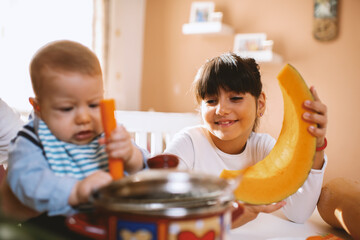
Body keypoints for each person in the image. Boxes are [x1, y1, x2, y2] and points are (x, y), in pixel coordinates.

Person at [165, 52, 328, 228]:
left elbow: (299, 213)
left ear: (260, 104)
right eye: (211, 101)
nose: (222, 110)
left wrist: (317, 145)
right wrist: (229, 219)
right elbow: (162, 203)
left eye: (235, 98)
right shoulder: (188, 144)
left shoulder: (263, 148)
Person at [6, 40, 148, 220]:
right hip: (57, 229)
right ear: (38, 107)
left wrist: (131, 157)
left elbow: (145, 173)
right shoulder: (32, 140)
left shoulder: (106, 132)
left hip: (109, 223)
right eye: (67, 108)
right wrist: (76, 191)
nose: (84, 118)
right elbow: (26, 182)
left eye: (94, 104)